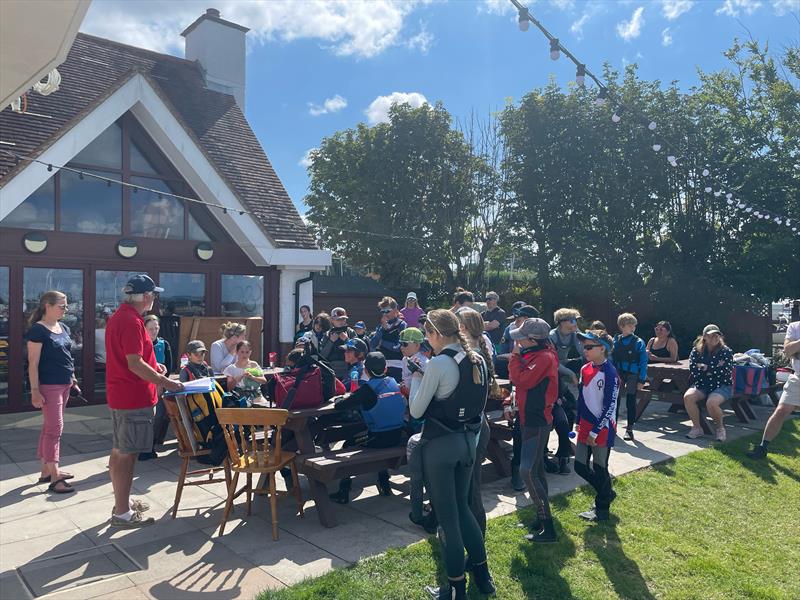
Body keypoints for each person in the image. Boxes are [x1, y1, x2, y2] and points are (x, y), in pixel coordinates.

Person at [410, 310, 495, 599]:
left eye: (427, 335)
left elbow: (416, 411)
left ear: (436, 334)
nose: (427, 340)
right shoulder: (478, 358)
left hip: (441, 446)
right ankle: (483, 577)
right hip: (468, 441)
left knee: (448, 519)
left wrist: (416, 379)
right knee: (464, 509)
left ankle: (456, 588)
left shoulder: (438, 363)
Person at [106, 275, 183, 527]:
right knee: (127, 455)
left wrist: (154, 366)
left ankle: (122, 503)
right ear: (146, 296)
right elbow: (134, 363)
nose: (155, 299)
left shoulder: (121, 316)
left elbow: (134, 358)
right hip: (133, 397)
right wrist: (167, 382)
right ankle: (121, 513)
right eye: (153, 294)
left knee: (119, 451)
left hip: (121, 395)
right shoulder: (131, 321)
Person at [328, 352, 407, 504]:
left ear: (365, 371)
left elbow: (340, 406)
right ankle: (384, 484)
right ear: (385, 369)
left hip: (378, 438)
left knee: (348, 444)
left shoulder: (367, 389)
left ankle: (344, 491)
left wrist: (341, 399)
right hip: (398, 435)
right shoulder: (393, 382)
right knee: (369, 440)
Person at [508, 317, 560, 542]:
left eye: (521, 338)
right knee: (537, 470)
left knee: (526, 470)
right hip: (528, 416)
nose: (517, 341)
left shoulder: (544, 357)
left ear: (532, 340)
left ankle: (548, 528)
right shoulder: (534, 354)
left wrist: (515, 356)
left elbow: (521, 379)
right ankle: (542, 518)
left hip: (537, 420)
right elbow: (520, 385)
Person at [26, 291, 79, 494]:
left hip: (65, 384)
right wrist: (34, 391)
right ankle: (55, 478)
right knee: (54, 430)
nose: (66, 309)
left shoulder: (63, 327)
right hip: (49, 386)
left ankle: (46, 471)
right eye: (62, 306)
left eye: (66, 306)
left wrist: (72, 377)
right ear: (47, 306)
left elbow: (67, 356)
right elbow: (33, 363)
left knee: (50, 428)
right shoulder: (38, 331)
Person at [455, 307, 495, 542]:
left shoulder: (469, 354)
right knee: (468, 487)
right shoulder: (482, 347)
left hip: (473, 428)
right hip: (479, 423)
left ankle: (475, 540)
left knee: (471, 489)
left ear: (464, 327)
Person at [574, 329, 619, 522]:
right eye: (584, 347)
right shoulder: (585, 369)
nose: (585, 350)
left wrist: (596, 430)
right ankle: (607, 491)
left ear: (602, 349)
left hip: (603, 427)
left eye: (589, 347)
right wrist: (577, 421)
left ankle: (602, 508)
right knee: (579, 466)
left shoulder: (610, 373)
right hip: (585, 424)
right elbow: (582, 398)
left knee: (600, 467)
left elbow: (610, 405)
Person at [497, 304, 538, 489]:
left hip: (538, 405)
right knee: (519, 435)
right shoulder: (519, 344)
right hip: (521, 401)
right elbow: (515, 383)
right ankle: (518, 473)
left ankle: (531, 473)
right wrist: (508, 403)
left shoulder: (543, 352)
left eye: (519, 321)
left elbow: (524, 380)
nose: (515, 325)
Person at [748, 320, 800, 459]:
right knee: (781, 410)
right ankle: (762, 447)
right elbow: (788, 351)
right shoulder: (794, 327)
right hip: (797, 378)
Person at [684, 324, 734, 441]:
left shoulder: (726, 351)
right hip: (702, 384)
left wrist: (705, 367)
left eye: (717, 335)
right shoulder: (696, 350)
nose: (715, 338)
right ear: (704, 337)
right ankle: (697, 428)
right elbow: (693, 368)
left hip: (722, 385)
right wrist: (713, 368)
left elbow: (725, 370)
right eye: (711, 335)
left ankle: (720, 429)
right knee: (688, 397)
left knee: (711, 403)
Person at [139, 315, 174, 461]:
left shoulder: (163, 344)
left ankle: (152, 444)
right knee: (145, 418)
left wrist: (162, 382)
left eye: (156, 328)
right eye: (151, 329)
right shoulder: (139, 344)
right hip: (144, 386)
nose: (154, 331)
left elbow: (170, 366)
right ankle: (143, 449)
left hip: (160, 385)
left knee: (159, 416)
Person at [611, 313, 648, 442]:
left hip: (633, 374)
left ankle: (629, 429)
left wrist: (642, 379)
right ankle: (612, 426)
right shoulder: (615, 341)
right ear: (622, 326)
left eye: (634, 325)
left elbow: (644, 362)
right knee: (615, 400)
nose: (633, 327)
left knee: (630, 401)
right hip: (619, 373)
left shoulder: (638, 342)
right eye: (629, 325)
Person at [370, 297, 407, 383]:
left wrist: (382, 342)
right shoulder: (381, 326)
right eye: (383, 311)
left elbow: (397, 347)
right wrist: (382, 330)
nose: (385, 314)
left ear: (395, 310)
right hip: (382, 365)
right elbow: (372, 345)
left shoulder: (402, 325)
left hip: (397, 365)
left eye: (387, 311)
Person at [224, 340, 269, 407]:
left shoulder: (254, 365)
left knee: (263, 408)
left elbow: (264, 381)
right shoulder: (231, 368)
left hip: (256, 394)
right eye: (242, 352)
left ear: (250, 352)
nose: (244, 355)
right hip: (240, 395)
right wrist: (237, 379)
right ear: (237, 352)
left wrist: (252, 377)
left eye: (247, 352)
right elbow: (229, 388)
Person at [319, 307, 356, 380]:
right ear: (332, 320)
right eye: (338, 319)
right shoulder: (327, 334)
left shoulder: (351, 332)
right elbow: (322, 356)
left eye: (343, 319)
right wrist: (331, 341)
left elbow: (358, 353)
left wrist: (346, 340)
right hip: (331, 370)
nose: (341, 322)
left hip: (349, 369)